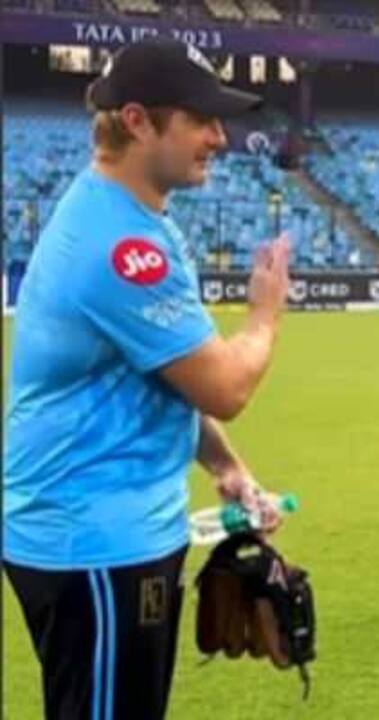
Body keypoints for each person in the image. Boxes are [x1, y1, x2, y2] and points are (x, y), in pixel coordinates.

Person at [3, 40, 291, 720]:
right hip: (94, 545)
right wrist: (264, 318)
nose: (220, 137)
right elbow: (225, 386)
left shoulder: (132, 219)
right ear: (137, 121)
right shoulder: (121, 247)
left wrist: (225, 466)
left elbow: (164, 380)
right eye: (201, 119)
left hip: (108, 535)